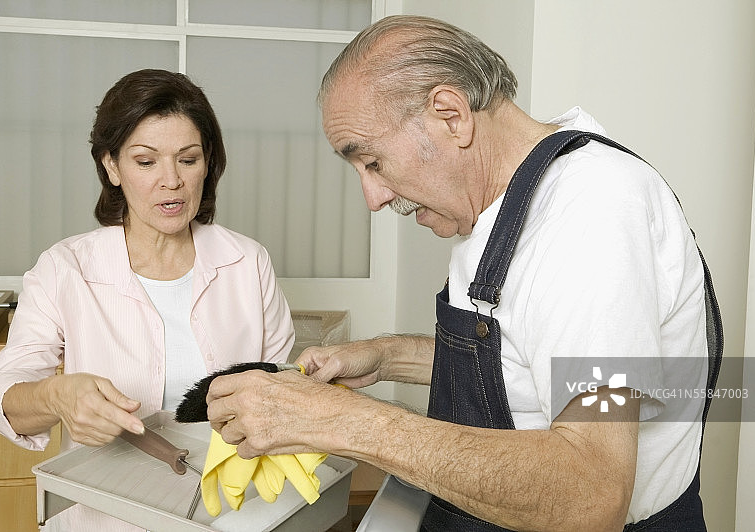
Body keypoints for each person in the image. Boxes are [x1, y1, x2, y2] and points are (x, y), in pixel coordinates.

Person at [203, 15, 721, 532]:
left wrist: (337, 422)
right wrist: (386, 357)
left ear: (451, 115)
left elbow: (592, 491)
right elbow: (524, 362)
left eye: (373, 163)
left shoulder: (592, 214)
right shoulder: (505, 207)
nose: (373, 197)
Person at [0, 69, 295, 531]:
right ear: (111, 167)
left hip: (227, 513)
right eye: (146, 162)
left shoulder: (246, 262)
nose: (171, 181)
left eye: (187, 159)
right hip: (104, 517)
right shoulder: (67, 268)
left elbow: (280, 390)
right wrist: (56, 396)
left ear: (207, 163)